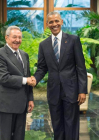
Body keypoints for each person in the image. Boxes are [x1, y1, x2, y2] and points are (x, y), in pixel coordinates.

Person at [31, 12, 87, 140]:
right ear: (47, 25)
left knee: (71, 124)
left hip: (71, 90)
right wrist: (35, 79)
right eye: (51, 22)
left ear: (61, 22)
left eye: (56, 21)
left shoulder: (73, 40)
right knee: (57, 125)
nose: (54, 24)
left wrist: (82, 90)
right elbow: (42, 68)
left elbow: (81, 67)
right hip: (53, 91)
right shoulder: (43, 45)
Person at [0, 26, 34, 140]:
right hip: (7, 105)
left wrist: (30, 99)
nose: (17, 40)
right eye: (14, 37)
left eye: (20, 37)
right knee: (6, 137)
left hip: (22, 104)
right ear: (7, 38)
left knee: (19, 136)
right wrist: (25, 80)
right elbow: (3, 78)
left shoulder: (24, 55)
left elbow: (28, 76)